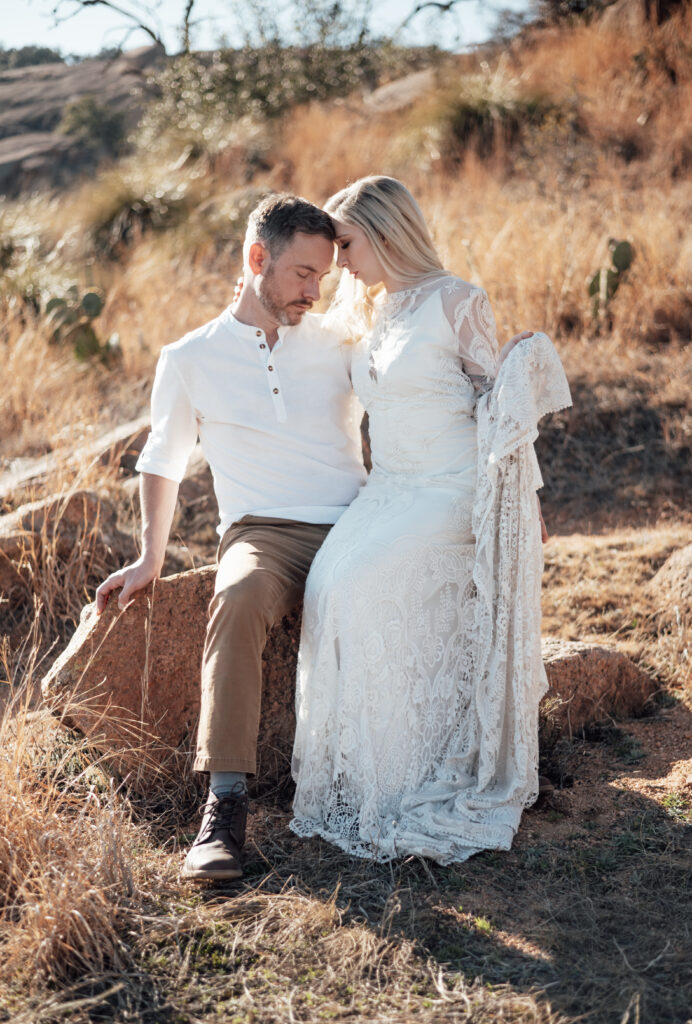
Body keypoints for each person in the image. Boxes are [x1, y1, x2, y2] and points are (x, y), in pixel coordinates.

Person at [290, 176, 571, 864]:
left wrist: (521, 500)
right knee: (327, 586)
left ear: (387, 232)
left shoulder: (457, 301)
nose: (341, 262)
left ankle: (409, 776)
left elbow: (494, 411)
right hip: (386, 490)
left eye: (348, 244)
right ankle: (363, 774)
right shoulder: (369, 311)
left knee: (359, 587)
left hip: (447, 492)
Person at [95, 193, 368, 881]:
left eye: (324, 276)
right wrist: (149, 557)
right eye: (304, 273)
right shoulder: (190, 358)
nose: (316, 289)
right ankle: (225, 808)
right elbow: (162, 458)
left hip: (359, 521)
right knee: (239, 594)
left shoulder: (340, 341)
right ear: (257, 259)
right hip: (263, 530)